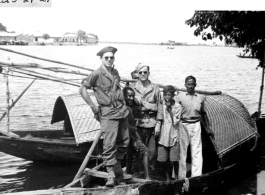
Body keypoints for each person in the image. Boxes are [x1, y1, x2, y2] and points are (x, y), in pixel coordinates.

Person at [79, 46, 130, 187]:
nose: (109, 60)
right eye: (106, 57)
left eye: (111, 57)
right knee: (109, 144)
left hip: (121, 111)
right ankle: (111, 175)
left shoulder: (115, 72)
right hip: (107, 113)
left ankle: (118, 170)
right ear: (101, 59)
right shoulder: (96, 74)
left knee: (124, 141)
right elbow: (82, 89)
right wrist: (93, 107)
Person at [130, 63, 162, 175]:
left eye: (145, 72)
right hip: (137, 123)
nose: (143, 74)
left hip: (151, 123)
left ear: (149, 73)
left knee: (152, 151)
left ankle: (150, 172)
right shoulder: (132, 88)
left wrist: (158, 123)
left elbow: (160, 106)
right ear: (137, 74)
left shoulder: (155, 88)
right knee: (137, 149)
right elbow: (127, 104)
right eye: (140, 72)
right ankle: (137, 172)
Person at [175, 75, 206, 179]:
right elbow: (172, 108)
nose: (190, 86)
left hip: (196, 123)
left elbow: (204, 113)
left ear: (195, 85)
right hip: (183, 124)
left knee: (197, 150)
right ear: (185, 85)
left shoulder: (201, 97)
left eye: (192, 84)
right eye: (188, 84)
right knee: (182, 151)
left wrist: (208, 127)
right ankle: (181, 176)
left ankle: (196, 176)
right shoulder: (179, 97)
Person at [155, 85, 182, 182]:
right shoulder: (161, 104)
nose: (167, 97)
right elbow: (159, 117)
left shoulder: (177, 106)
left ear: (173, 95)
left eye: (169, 94)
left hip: (173, 134)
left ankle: (177, 178)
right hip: (163, 135)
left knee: (174, 159)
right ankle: (167, 178)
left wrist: (169, 108)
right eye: (165, 95)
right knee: (164, 160)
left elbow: (175, 121)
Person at [123, 87, 151, 180]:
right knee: (145, 151)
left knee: (131, 155)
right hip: (129, 135)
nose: (131, 98)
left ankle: (130, 174)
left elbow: (137, 100)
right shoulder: (125, 108)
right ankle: (145, 176)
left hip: (131, 134)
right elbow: (126, 126)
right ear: (124, 96)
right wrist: (135, 140)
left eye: (132, 96)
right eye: (129, 96)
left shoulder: (128, 106)